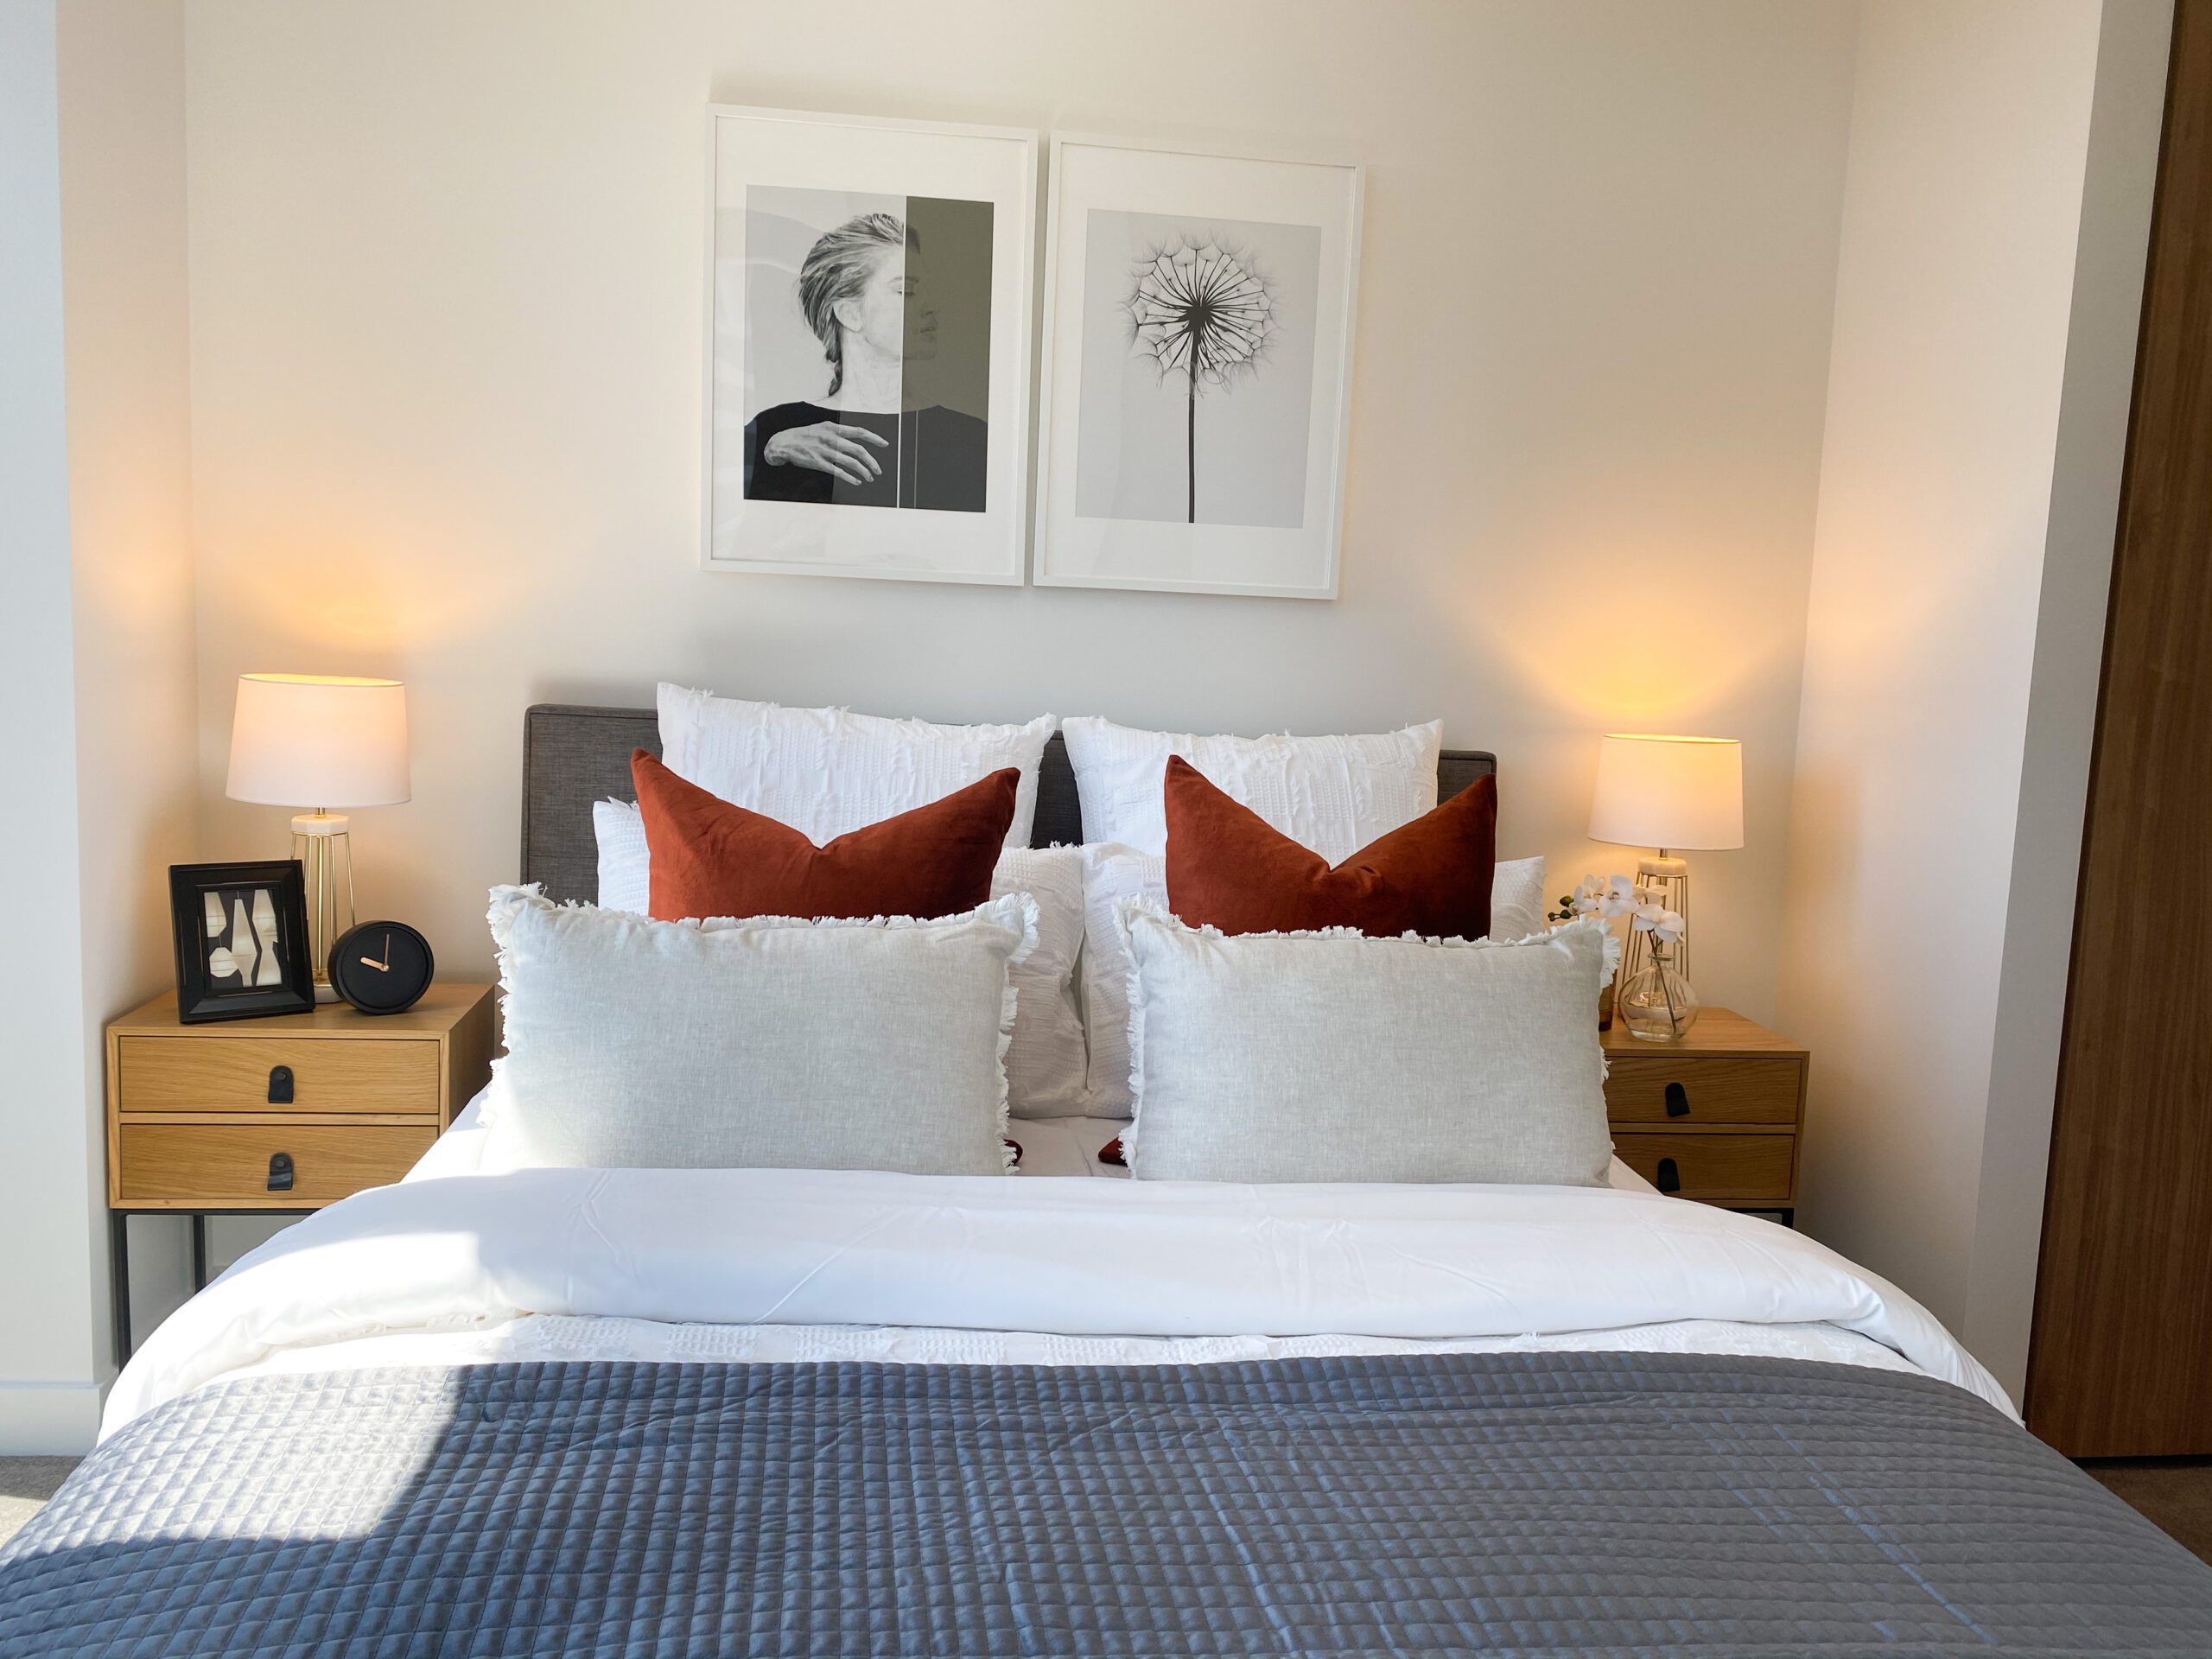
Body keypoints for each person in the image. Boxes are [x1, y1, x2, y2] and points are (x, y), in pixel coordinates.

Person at [744, 213, 987, 512]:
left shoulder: (971, 439)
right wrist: (768, 450)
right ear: (849, 313)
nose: (933, 305)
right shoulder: (775, 433)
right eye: (906, 291)